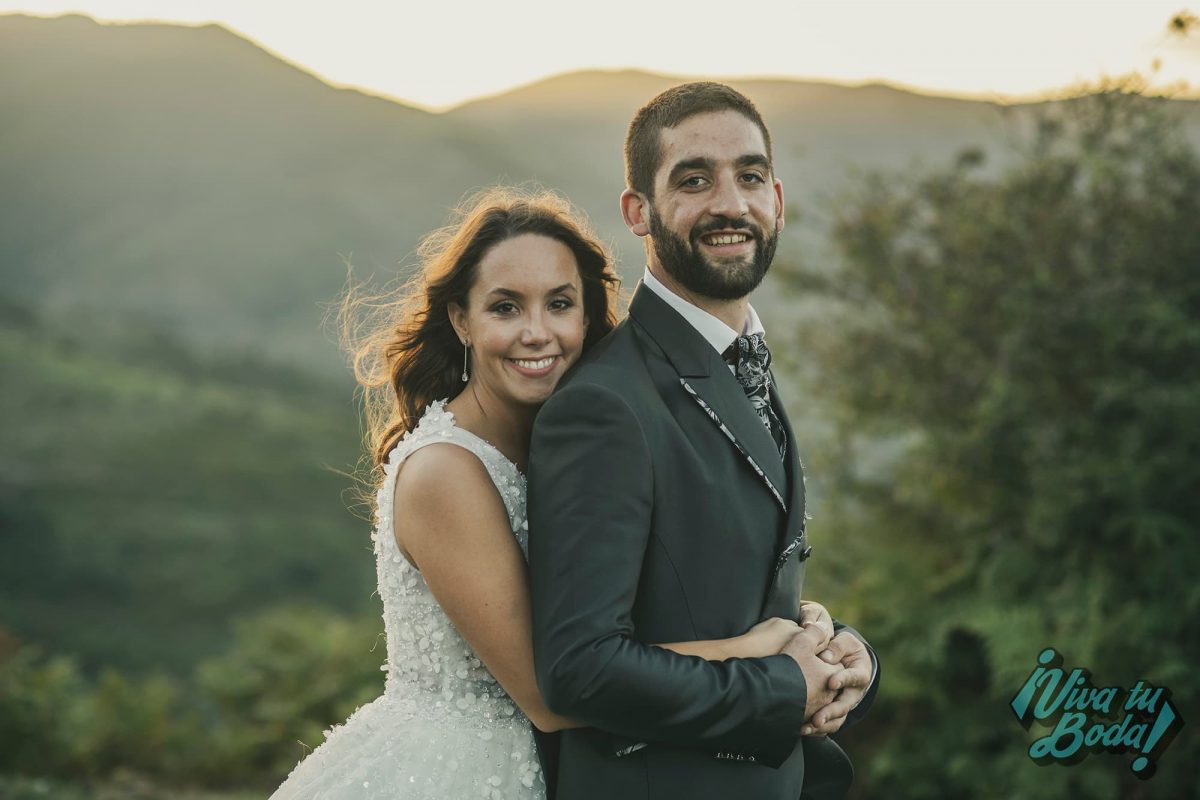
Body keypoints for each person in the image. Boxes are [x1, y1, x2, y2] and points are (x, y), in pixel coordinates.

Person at [269, 187, 837, 800]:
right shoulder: (445, 472)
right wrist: (754, 652)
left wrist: (812, 634)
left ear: (588, 316)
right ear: (462, 320)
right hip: (456, 770)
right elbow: (550, 694)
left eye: (559, 304)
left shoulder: (585, 441)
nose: (537, 333)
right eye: (506, 308)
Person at [527, 83, 880, 800]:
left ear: (776, 198)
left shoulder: (741, 357)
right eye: (694, 180)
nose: (730, 203)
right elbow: (581, 669)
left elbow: (726, 596)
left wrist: (847, 657)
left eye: (749, 177)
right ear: (639, 212)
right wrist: (786, 687)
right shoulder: (603, 404)